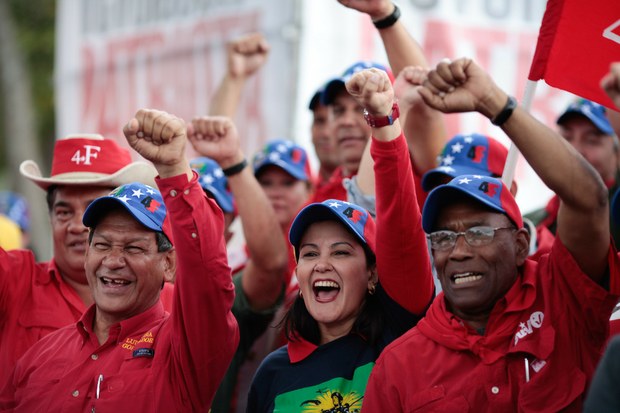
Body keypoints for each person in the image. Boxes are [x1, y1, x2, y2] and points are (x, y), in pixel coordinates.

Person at [361, 57, 619, 412]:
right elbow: (393, 215)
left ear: (519, 244)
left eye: (479, 232)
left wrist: (493, 102)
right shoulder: (399, 365)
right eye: (443, 238)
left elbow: (588, 199)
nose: (459, 252)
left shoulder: (564, 297)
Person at [0, 109, 239, 411]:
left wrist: (175, 168)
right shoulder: (39, 357)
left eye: (133, 248)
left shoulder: (182, 351)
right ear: (88, 253)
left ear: (169, 263)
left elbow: (208, 279)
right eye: (102, 244)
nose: (113, 260)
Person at [247, 67, 434, 412]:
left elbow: (399, 219)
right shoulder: (273, 372)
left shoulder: (400, 336)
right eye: (309, 253)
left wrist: (384, 122)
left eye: (341, 251)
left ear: (373, 274)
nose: (322, 264)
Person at [0, 133, 157, 390]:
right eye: (63, 212)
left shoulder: (167, 300)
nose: (76, 225)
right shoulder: (16, 280)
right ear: (49, 218)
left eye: (91, 210)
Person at [188, 116, 288, 413]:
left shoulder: (223, 302)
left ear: (229, 232)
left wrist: (233, 160)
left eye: (209, 206)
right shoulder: (119, 283)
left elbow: (271, 264)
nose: (190, 216)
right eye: (183, 201)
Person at [525, 98, 620, 246]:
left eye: (591, 140)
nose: (575, 151)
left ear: (617, 155)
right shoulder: (527, 226)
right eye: (566, 138)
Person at [308, 85, 340, 187]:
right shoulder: (304, 196)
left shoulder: (369, 194)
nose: (326, 133)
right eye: (319, 121)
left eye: (335, 120)